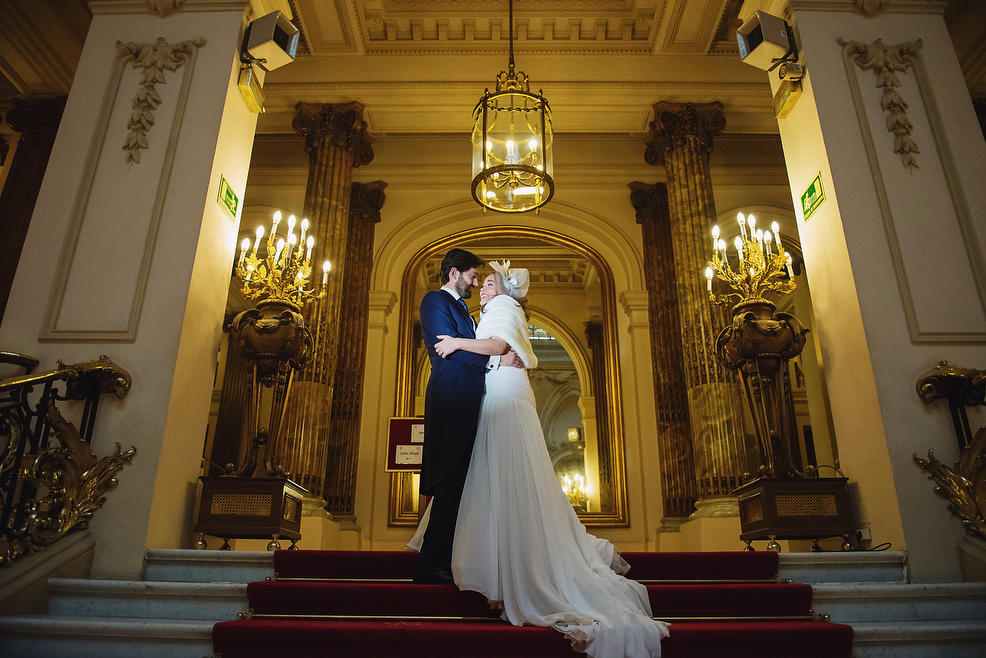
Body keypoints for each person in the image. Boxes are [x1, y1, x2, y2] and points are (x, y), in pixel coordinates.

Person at [431, 260, 670, 658]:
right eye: (481, 282)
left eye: (489, 283)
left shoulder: (503, 306)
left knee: (503, 478)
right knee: (503, 480)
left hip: (504, 397)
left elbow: (498, 347)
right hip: (501, 392)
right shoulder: (495, 310)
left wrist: (457, 343)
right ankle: (503, 568)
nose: (483, 288)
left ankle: (509, 572)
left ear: (504, 290)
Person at [412, 248, 522, 584]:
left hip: (470, 399)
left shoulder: (465, 312)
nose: (475, 283)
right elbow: (445, 349)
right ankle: (430, 567)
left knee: (461, 484)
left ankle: (445, 561)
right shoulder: (435, 301)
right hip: (451, 397)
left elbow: (463, 346)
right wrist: (495, 359)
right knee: (449, 480)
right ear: (454, 273)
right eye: (473, 276)